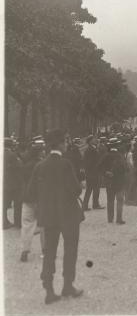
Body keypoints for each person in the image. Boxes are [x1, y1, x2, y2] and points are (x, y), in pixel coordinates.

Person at [27, 129, 83, 304]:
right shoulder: (66, 164)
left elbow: (30, 193)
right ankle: (67, 285)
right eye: (65, 141)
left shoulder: (40, 166)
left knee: (49, 252)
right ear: (59, 143)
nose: (66, 144)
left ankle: (49, 290)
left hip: (50, 216)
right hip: (68, 215)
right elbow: (76, 189)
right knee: (70, 250)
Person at [20, 141, 46, 262]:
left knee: (27, 224)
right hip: (40, 198)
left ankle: (25, 250)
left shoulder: (25, 165)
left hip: (27, 198)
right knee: (44, 225)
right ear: (40, 152)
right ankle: (45, 250)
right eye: (43, 150)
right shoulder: (42, 165)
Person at [99, 138, 127, 224]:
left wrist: (105, 173)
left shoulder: (106, 156)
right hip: (119, 181)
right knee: (119, 200)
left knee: (110, 200)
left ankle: (110, 219)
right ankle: (119, 219)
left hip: (109, 182)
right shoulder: (120, 155)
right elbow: (125, 168)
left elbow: (99, 167)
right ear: (117, 145)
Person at [3, 137, 23, 229]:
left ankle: (4, 222)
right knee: (17, 203)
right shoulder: (12, 155)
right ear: (10, 145)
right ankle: (17, 222)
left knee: (4, 203)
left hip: (4, 182)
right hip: (14, 183)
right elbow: (18, 167)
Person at [82, 135, 104, 211]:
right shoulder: (90, 150)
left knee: (92, 189)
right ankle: (94, 204)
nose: (96, 140)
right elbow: (89, 162)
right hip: (93, 172)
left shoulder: (91, 149)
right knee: (93, 189)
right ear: (90, 141)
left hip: (91, 172)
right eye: (94, 139)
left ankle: (87, 205)